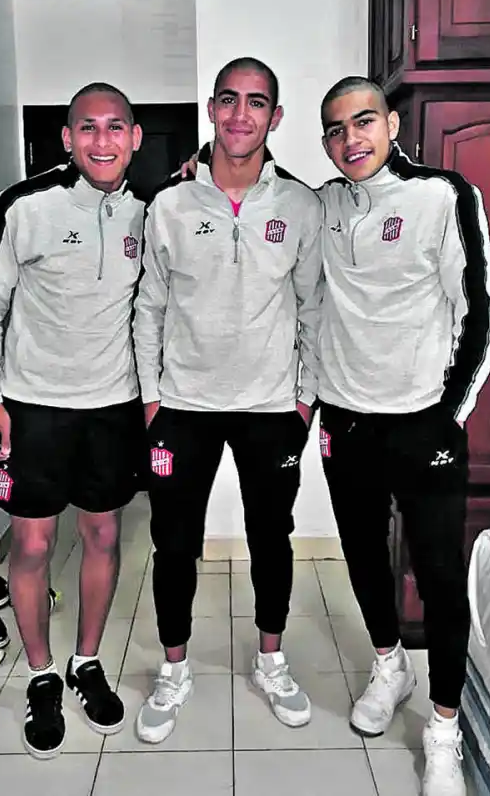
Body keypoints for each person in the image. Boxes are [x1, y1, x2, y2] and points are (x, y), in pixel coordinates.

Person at [316, 76, 490, 796]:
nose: (351, 139)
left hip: (424, 422)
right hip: (346, 419)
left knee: (439, 576)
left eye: (363, 121)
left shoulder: (443, 195)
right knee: (364, 555)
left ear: (391, 123)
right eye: (336, 129)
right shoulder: (324, 205)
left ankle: (444, 728)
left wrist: (449, 413)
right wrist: (202, 166)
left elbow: (480, 310)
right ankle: (389, 666)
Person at [132, 57, 323, 744]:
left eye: (257, 102)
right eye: (229, 100)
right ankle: (174, 669)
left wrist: (305, 400)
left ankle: (272, 661)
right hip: (182, 407)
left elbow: (313, 307)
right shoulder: (170, 204)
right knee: (174, 542)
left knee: (272, 537)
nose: (242, 115)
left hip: (272, 409)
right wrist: (152, 400)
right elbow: (148, 306)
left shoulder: (301, 206)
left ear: (276, 116)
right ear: (211, 109)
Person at [0, 82, 147, 759]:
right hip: (33, 408)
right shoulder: (25, 205)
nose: (102, 140)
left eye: (115, 126)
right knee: (34, 547)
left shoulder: (149, 213)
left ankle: (86, 662)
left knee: (103, 535)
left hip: (113, 407)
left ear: (134, 138)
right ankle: (42, 673)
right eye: (87, 127)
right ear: (67, 139)